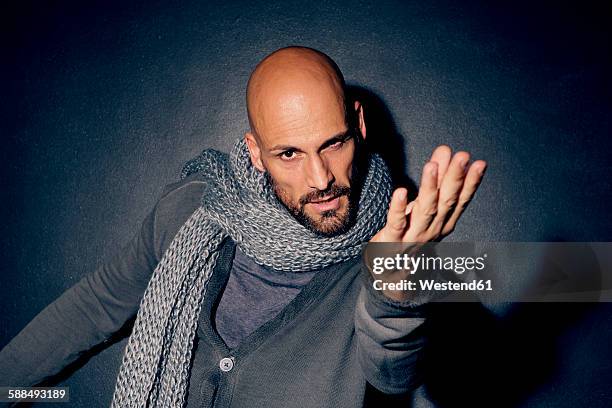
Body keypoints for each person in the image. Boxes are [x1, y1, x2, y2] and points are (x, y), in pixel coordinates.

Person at [0, 46, 486, 407]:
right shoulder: (197, 209)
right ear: (256, 152)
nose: (321, 180)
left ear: (358, 124)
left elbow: (398, 377)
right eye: (289, 154)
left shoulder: (403, 245)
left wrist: (392, 296)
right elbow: (98, 303)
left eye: (333, 144)